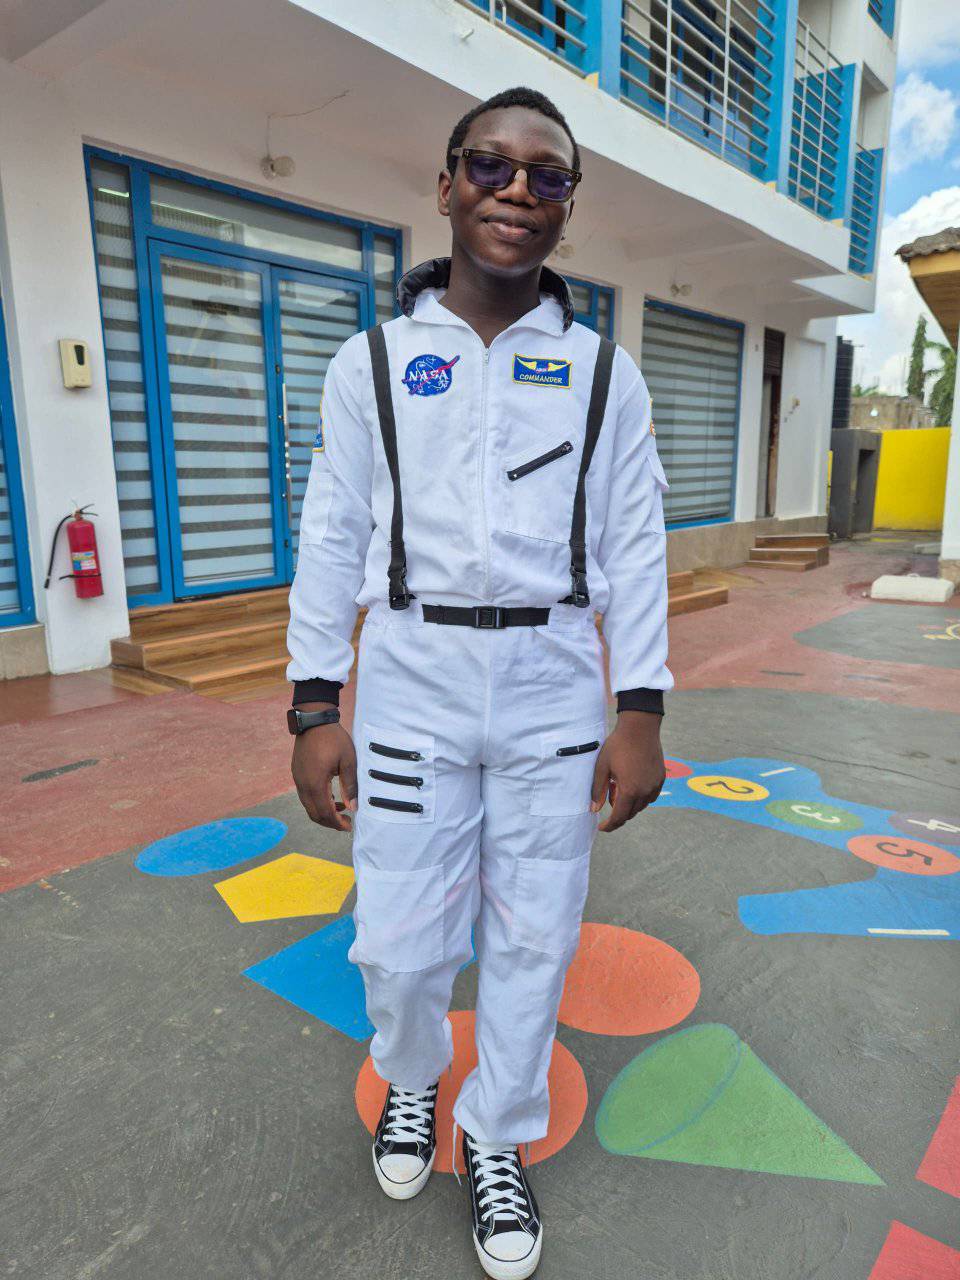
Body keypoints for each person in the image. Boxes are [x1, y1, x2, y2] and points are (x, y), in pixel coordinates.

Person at [285, 85, 672, 1280]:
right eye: (491, 166)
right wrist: (313, 705)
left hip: (555, 682)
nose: (516, 190)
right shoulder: (374, 365)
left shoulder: (605, 375)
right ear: (446, 183)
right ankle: (412, 1080)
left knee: (533, 934)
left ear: (567, 207)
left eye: (545, 175)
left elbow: (638, 544)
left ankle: (493, 1130)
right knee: (400, 943)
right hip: (412, 673)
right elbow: (333, 532)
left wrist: (640, 706)